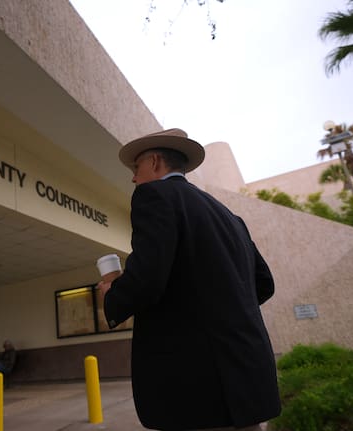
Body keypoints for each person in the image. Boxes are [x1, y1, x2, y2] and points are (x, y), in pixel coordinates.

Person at [97, 129, 281, 431]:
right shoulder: (229, 217)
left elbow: (146, 279)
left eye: (135, 168)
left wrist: (112, 295)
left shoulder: (153, 195)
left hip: (197, 387)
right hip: (247, 382)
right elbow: (264, 284)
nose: (133, 178)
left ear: (155, 162)